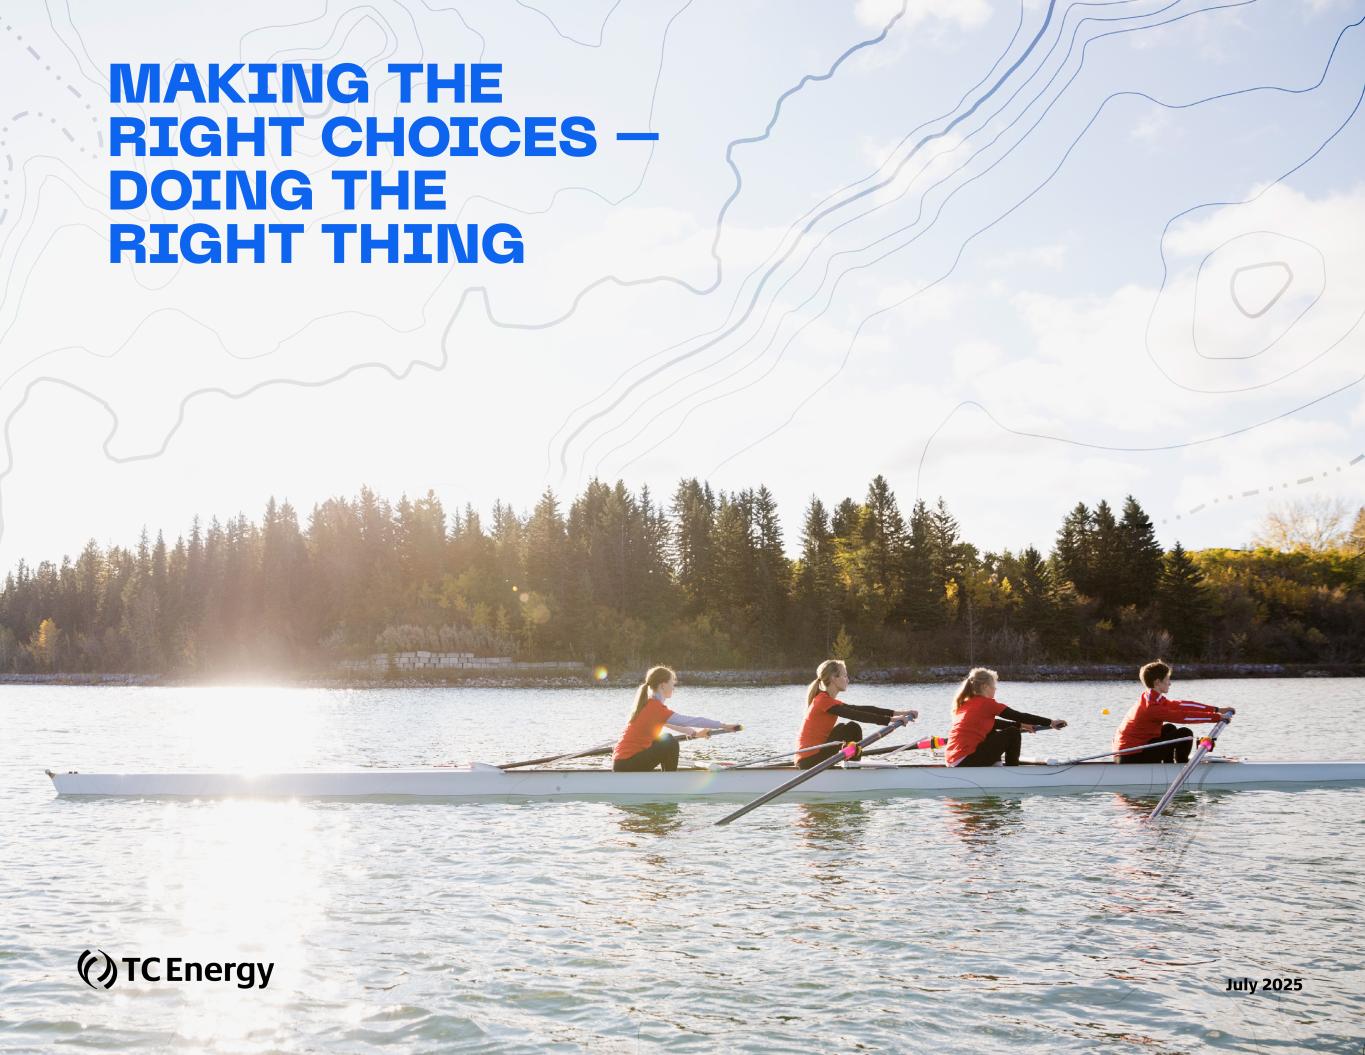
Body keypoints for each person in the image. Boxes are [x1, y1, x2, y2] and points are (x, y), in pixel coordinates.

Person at [612, 666, 741, 772]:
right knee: (669, 741)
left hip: (621, 764)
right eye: (672, 683)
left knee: (663, 738)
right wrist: (724, 725)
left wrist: (695, 733)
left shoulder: (649, 705)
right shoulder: (655, 708)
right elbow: (691, 720)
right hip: (627, 763)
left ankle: (667, 778)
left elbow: (673, 724)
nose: (674, 687)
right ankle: (670, 781)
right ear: (663, 685)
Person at [796, 659, 917, 769]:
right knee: (851, 728)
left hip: (812, 757)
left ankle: (851, 760)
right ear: (834, 678)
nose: (848, 680)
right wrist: (890, 720)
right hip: (809, 760)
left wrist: (899, 713)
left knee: (847, 727)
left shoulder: (826, 700)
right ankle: (853, 767)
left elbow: (862, 709)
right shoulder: (823, 701)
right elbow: (857, 715)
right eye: (844, 676)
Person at [1114, 660, 1233, 763]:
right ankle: (1181, 766)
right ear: (1157, 682)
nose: (1170, 683)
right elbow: (1184, 717)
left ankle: (1169, 764)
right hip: (1131, 756)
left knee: (1169, 728)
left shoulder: (1150, 697)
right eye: (1167, 679)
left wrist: (1216, 710)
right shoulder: (1152, 707)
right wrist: (1217, 717)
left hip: (1130, 752)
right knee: (1185, 734)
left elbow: (1181, 705)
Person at [946, 667, 1066, 767]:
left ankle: (996, 765)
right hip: (966, 759)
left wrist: (1021, 725)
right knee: (1013, 733)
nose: (995, 689)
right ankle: (1012, 771)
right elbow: (1018, 716)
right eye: (994, 686)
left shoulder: (966, 704)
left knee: (992, 731)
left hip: (952, 760)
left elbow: (994, 724)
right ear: (985, 687)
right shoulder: (987, 704)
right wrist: (1050, 722)